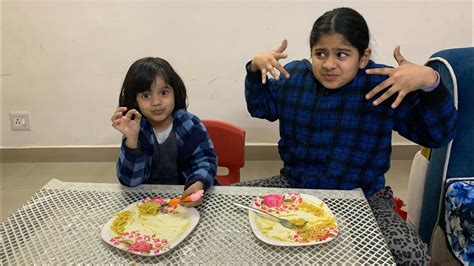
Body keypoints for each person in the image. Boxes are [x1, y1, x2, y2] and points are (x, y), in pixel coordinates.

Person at [238, 7, 458, 265]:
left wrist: (431, 83)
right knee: (229, 206)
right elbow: (261, 107)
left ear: (363, 57)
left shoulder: (384, 84)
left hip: (364, 197)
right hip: (294, 188)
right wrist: (254, 70)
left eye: (342, 54)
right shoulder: (295, 77)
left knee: (412, 255)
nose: (329, 64)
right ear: (311, 53)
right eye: (320, 53)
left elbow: (437, 136)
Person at [111, 57, 217, 207]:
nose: (156, 102)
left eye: (164, 92)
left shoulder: (191, 125)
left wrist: (198, 183)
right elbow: (129, 181)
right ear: (135, 101)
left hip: (185, 196)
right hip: (147, 201)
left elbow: (206, 161)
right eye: (146, 96)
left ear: (175, 92)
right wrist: (132, 142)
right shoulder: (136, 129)